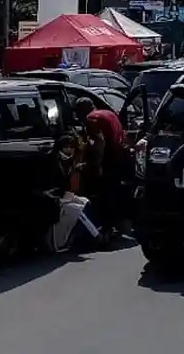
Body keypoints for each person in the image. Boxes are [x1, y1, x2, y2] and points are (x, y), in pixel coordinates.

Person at [73, 97, 130, 241]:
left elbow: (100, 143)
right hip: (120, 157)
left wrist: (94, 166)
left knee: (105, 196)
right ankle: (115, 226)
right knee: (114, 193)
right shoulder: (108, 113)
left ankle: (106, 229)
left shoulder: (92, 119)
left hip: (109, 160)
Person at [45, 134, 98, 253]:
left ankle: (84, 236)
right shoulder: (51, 161)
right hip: (54, 196)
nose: (69, 150)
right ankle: (95, 237)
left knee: (86, 202)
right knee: (77, 210)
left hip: (65, 194)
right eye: (66, 147)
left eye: (71, 147)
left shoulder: (68, 161)